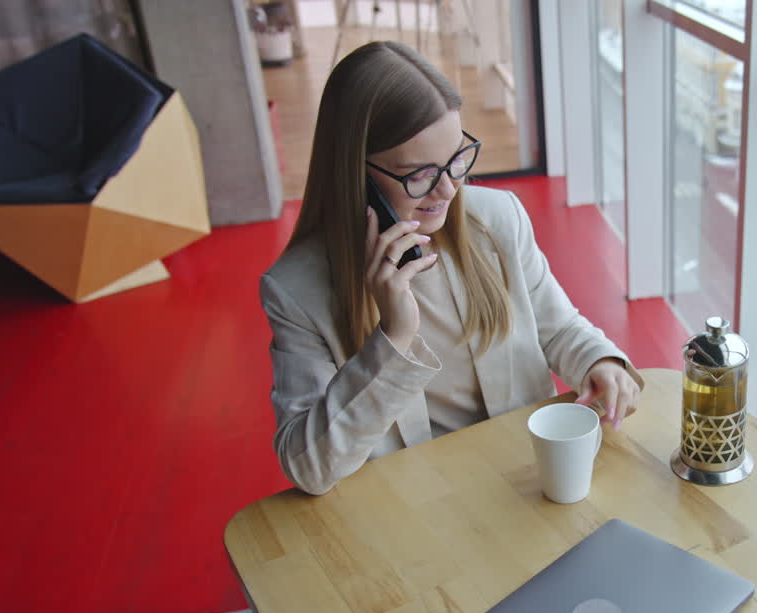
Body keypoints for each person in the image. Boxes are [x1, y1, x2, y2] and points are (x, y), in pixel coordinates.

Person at [260, 42, 643, 495]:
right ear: (355, 175)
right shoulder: (295, 290)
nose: (447, 189)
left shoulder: (497, 219)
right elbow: (310, 468)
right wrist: (393, 337)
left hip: (525, 483)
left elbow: (558, 329)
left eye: (456, 159)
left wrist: (599, 360)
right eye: (418, 173)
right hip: (416, 510)